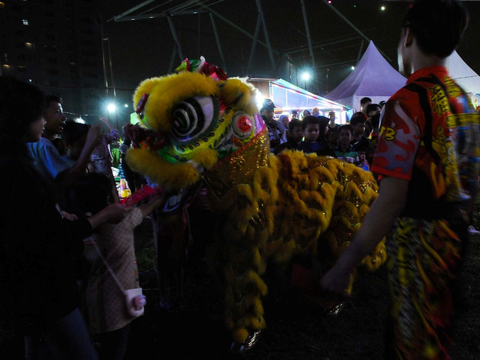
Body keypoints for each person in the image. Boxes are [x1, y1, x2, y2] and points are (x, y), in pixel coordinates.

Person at [320, 1, 477, 358]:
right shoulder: (462, 100)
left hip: (417, 244)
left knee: (412, 340)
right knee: (436, 334)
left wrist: (346, 263)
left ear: (408, 37)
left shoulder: (407, 102)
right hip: (453, 241)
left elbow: (392, 196)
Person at [0, 77, 129, 360]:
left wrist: (56, 214)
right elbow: (49, 238)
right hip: (47, 289)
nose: (47, 120)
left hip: (24, 290)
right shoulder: (19, 169)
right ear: (21, 117)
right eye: (40, 113)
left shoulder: (14, 161)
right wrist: (102, 216)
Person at [65, 173, 165, 360]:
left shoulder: (77, 230)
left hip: (97, 305)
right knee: (117, 347)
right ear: (109, 200)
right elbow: (147, 208)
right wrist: (162, 197)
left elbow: (125, 203)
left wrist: (150, 187)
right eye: (115, 192)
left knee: (102, 343)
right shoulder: (123, 223)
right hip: (123, 300)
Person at [27, 95, 101, 185]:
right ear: (42, 116)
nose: (64, 118)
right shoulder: (43, 144)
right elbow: (68, 179)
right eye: (57, 112)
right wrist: (89, 144)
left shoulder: (35, 144)